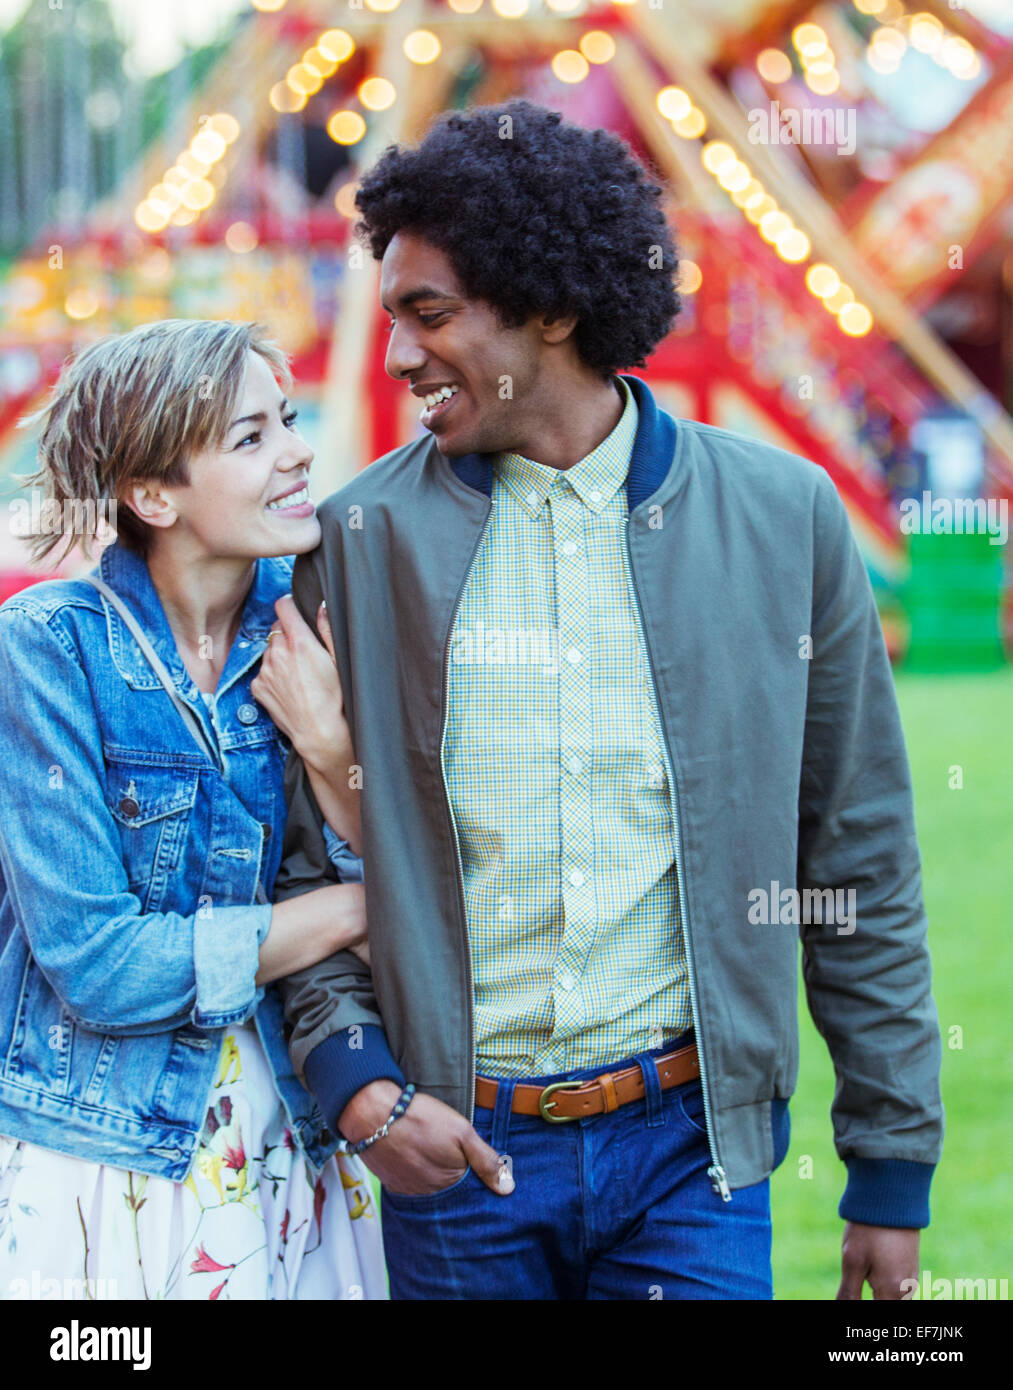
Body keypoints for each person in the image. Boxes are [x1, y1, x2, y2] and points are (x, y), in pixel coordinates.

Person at [262, 100, 944, 1301]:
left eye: (428, 315)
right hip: (454, 1161)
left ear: (553, 309)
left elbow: (855, 859)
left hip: (691, 1161)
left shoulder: (786, 523)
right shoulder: (352, 546)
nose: (395, 358)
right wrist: (361, 1083)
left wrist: (887, 1167)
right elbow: (300, 853)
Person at [0, 319, 387, 1301]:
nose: (300, 451)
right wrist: (357, 913)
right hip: (100, 1143)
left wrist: (335, 751)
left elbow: (423, 893)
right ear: (152, 493)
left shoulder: (323, 629)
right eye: (251, 437)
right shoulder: (48, 651)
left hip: (294, 1133)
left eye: (288, 422)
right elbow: (98, 962)